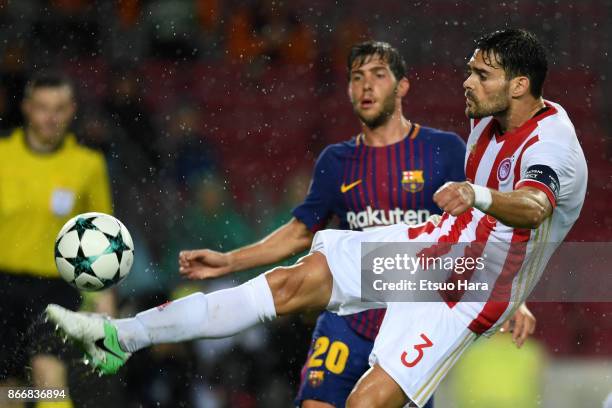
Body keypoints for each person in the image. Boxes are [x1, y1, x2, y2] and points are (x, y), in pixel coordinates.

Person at [47, 28, 584, 408]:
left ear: (520, 85)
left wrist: (480, 198)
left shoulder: (551, 145)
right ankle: (122, 336)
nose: (466, 81)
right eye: (468, 70)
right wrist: (233, 258)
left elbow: (536, 208)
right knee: (285, 287)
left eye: (481, 74)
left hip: (462, 293)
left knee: (367, 403)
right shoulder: (486, 117)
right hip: (428, 254)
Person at [175, 40, 534, 408]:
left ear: (402, 85)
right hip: (347, 321)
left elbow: (488, 226)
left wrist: (511, 298)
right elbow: (301, 231)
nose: (366, 86)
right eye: (357, 77)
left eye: (378, 75)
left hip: (412, 325)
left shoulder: (444, 150)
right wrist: (231, 261)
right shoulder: (337, 161)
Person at [0, 73, 113, 408]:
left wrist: (105, 298)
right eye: (43, 108)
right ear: (27, 109)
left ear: (72, 110)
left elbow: (101, 235)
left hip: (56, 288)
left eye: (59, 108)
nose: (50, 117)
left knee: (48, 376)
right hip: (3, 286)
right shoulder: (2, 155)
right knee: (10, 390)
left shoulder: (87, 165)